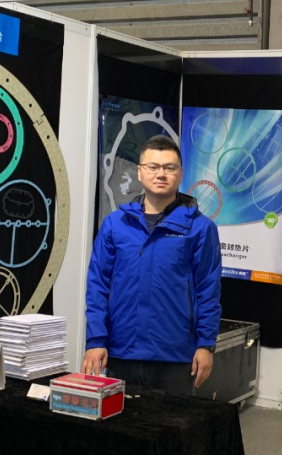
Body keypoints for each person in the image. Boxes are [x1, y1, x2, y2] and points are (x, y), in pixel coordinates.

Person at [82, 135, 222, 394]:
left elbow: (208, 290)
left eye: (169, 167)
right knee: (120, 419)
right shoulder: (115, 224)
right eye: (153, 166)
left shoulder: (200, 228)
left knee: (173, 420)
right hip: (121, 351)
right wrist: (95, 339)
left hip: (175, 355)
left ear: (180, 174)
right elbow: (97, 285)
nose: (161, 174)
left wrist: (206, 344)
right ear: (140, 172)